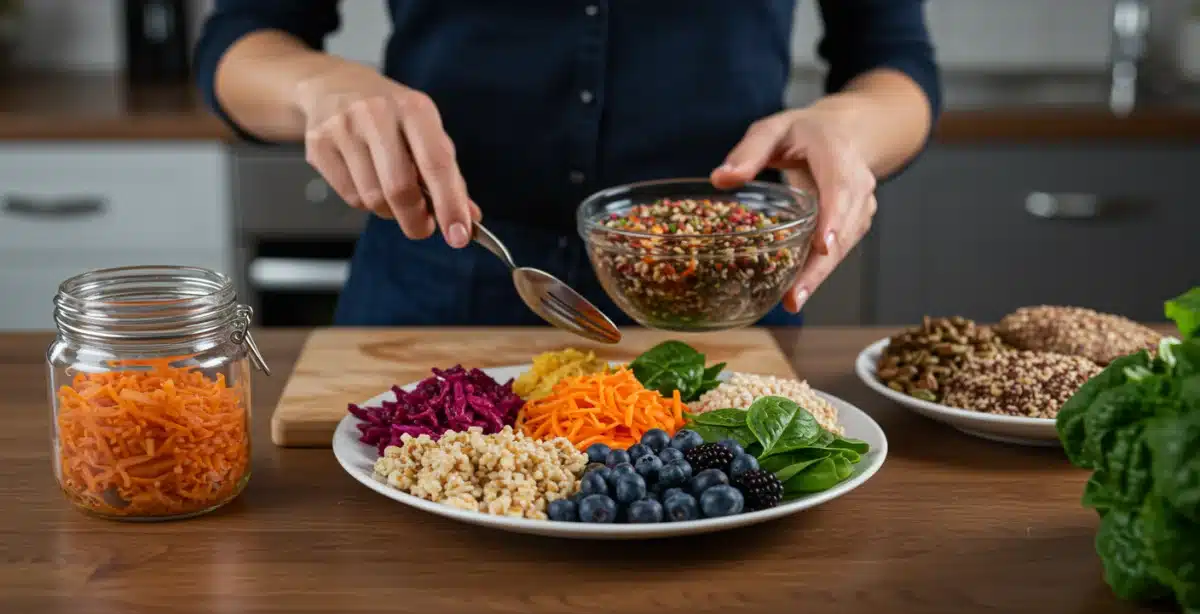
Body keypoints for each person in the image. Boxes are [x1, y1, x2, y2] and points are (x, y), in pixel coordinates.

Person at [195, 1, 940, 328]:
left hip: (719, 300)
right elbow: (240, 42)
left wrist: (847, 128)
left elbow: (894, 62)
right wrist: (318, 86)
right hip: (439, 279)